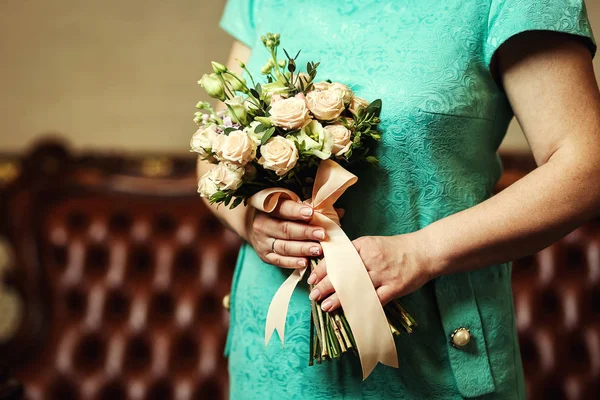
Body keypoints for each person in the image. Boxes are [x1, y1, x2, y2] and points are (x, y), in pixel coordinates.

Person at [197, 1, 600, 398]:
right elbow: (214, 152)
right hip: (274, 352)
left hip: (430, 356)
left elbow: (587, 169)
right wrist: (253, 222)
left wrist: (424, 252)